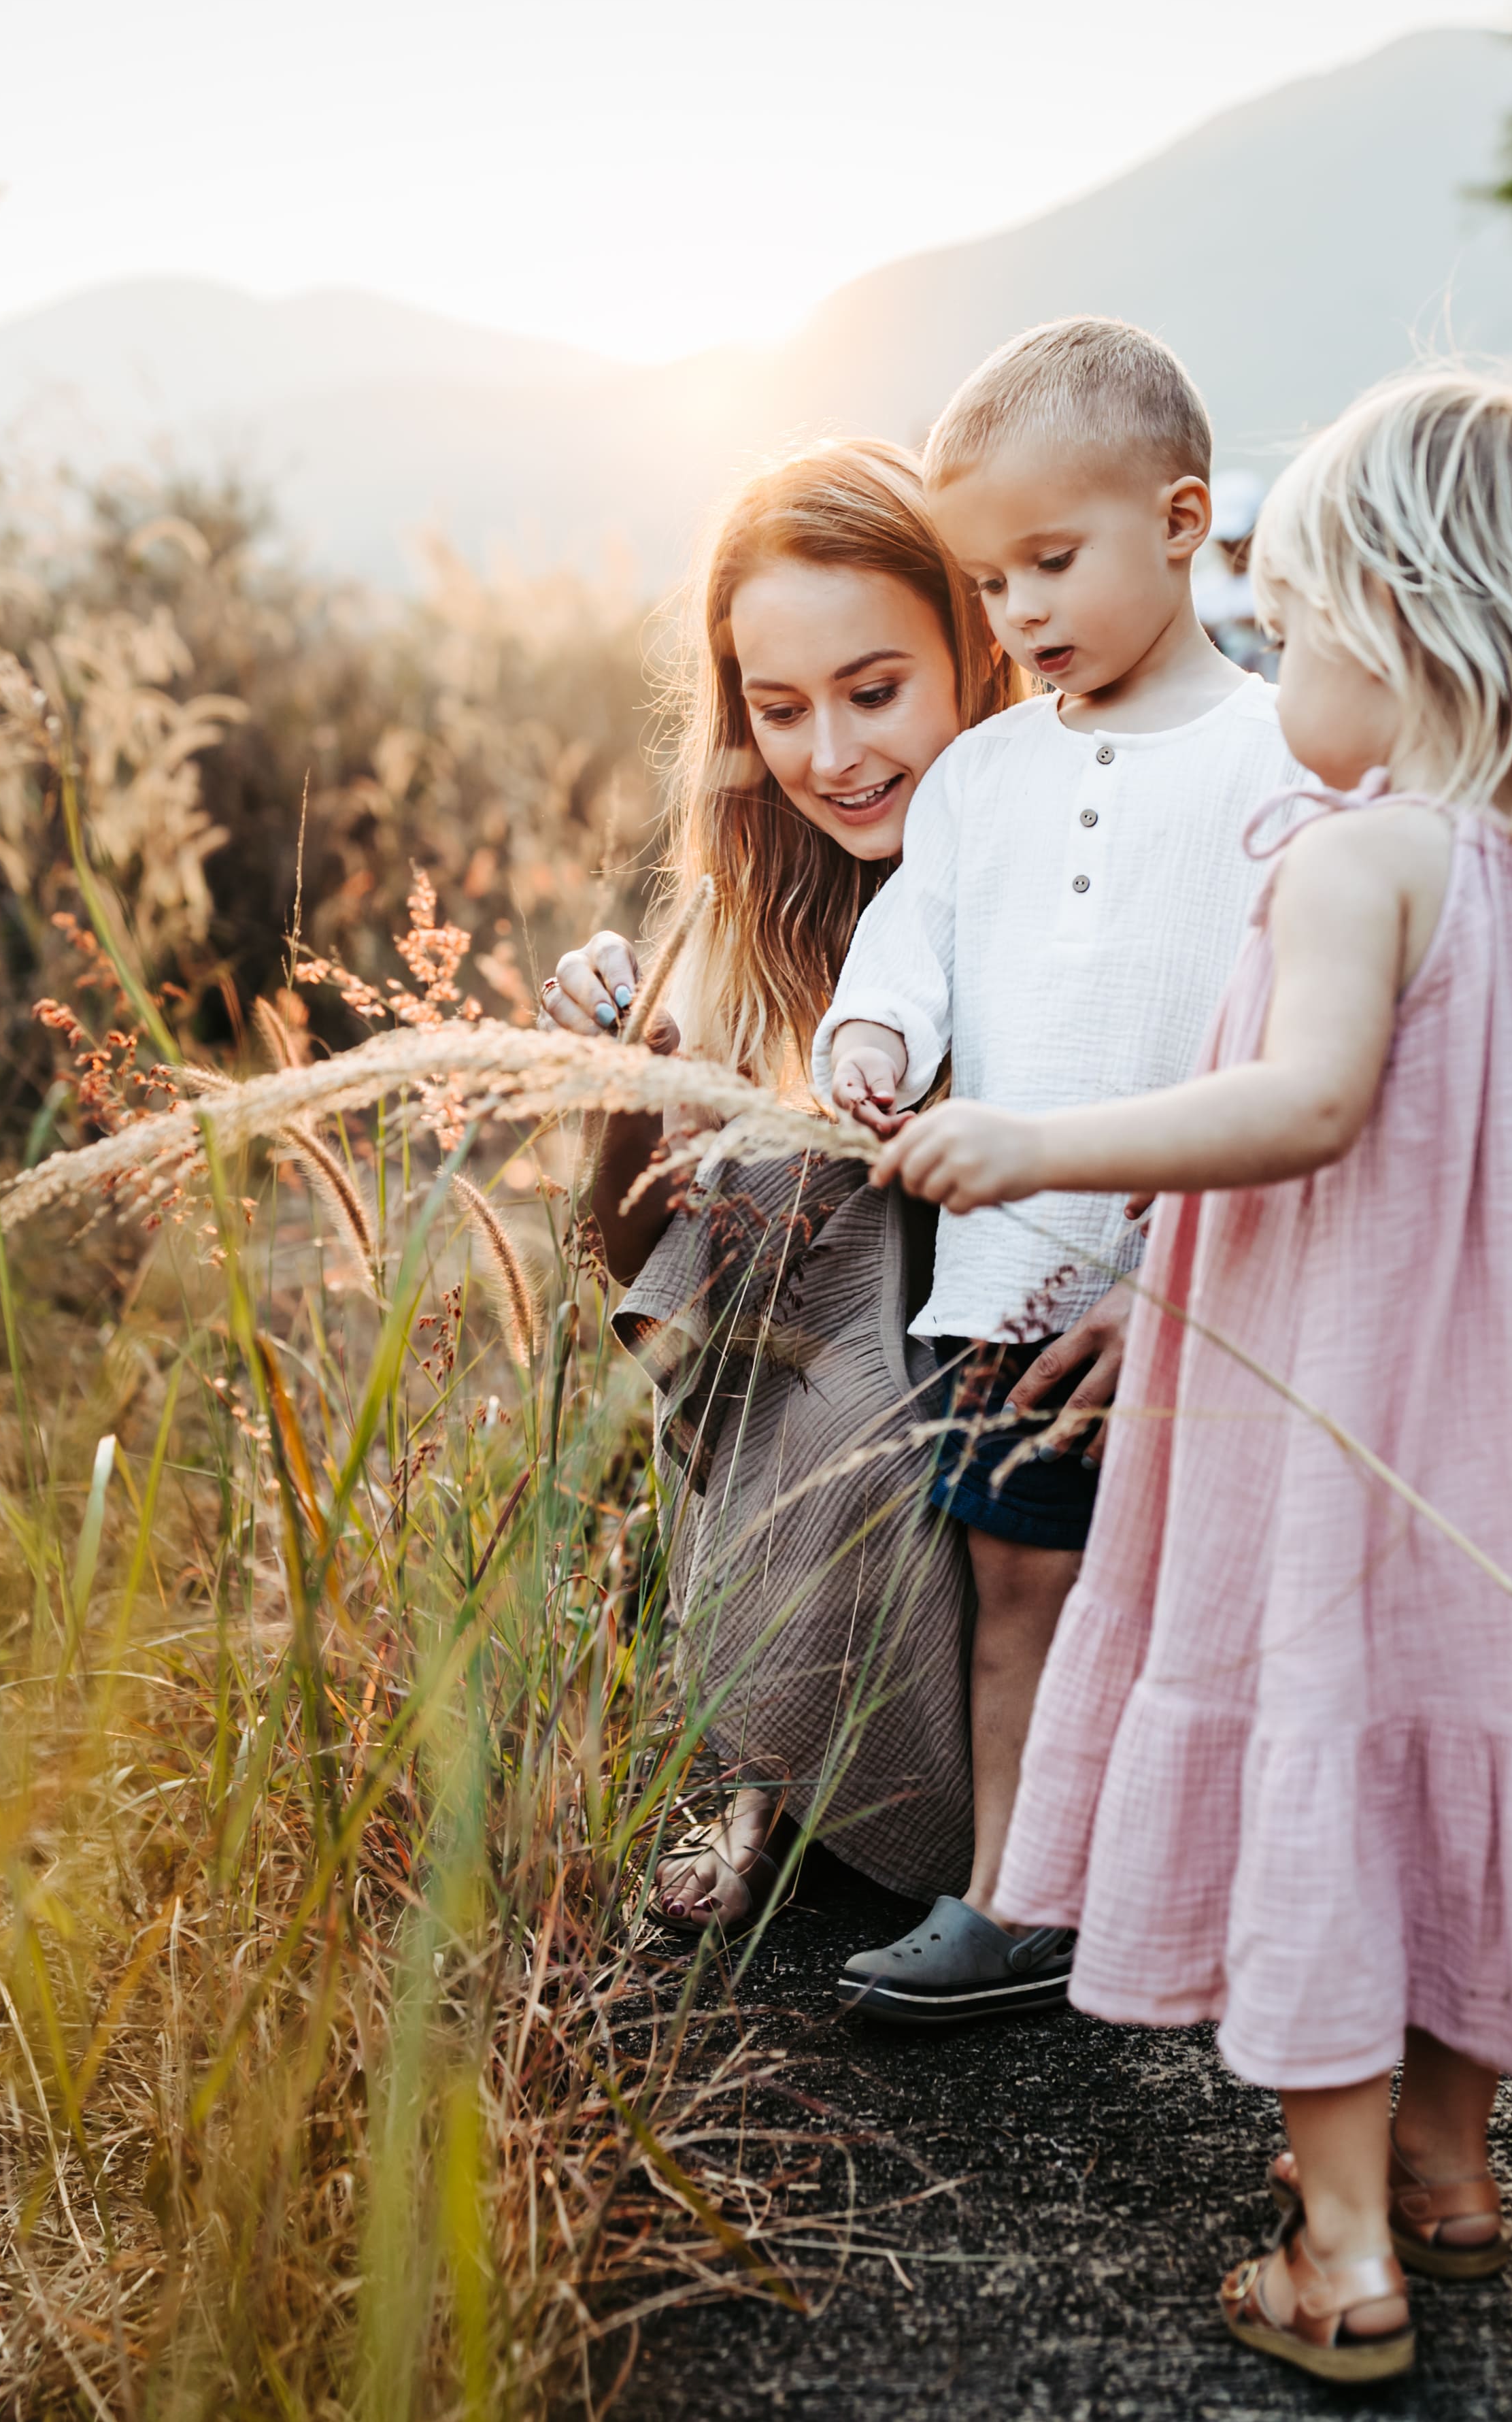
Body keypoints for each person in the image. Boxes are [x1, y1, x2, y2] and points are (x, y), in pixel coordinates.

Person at [877, 367, 1512, 2382]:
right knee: (1466, 1758)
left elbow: (1299, 1106)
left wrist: (1040, 1146)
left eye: (1297, 622)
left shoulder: (1362, 863)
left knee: (1339, 1774)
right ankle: (1450, 2180)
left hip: (1346, 1432)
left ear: (1407, 629)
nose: (1274, 658)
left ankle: (1340, 2249)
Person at [812, 317, 1303, 2025]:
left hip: (1222, 1289)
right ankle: (1015, 1893)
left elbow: (1297, 1041)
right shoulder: (976, 777)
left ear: (1180, 521)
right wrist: (868, 1038)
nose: (1014, 612)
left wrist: (1191, 1248)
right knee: (1015, 1589)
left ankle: (1252, 1903)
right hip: (1011, 1278)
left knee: (1229, 1606)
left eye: (1049, 560)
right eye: (985, 576)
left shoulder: (1277, 759)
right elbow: (907, 946)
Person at [541, 440, 1020, 1930]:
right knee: (784, 1231)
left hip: (1070, 1341)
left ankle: (1001, 1817)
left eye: (875, 692)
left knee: (853, 1257)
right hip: (859, 1384)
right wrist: (634, 1082)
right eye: (780, 707)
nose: (832, 754)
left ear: (976, 647)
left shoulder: (1066, 862)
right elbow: (631, 1263)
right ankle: (775, 1782)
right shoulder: (743, 907)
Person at [1194, 467, 1273, 674]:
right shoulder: (1199, 593)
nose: (1231, 549)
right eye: (1224, 541)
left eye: (1238, 540)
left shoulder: (1283, 586)